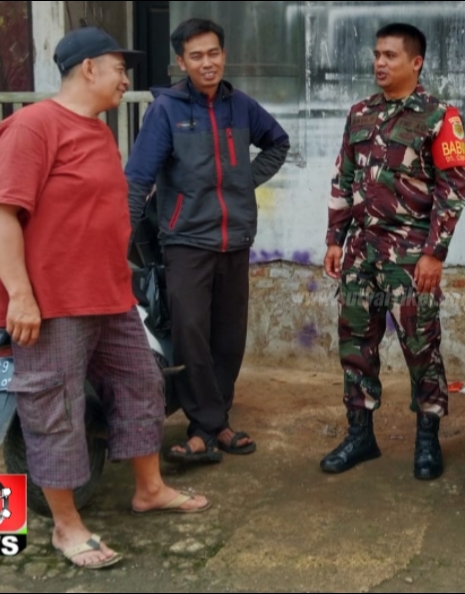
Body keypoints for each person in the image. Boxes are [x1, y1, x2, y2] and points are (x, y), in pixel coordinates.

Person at [0, 27, 211, 570]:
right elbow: (0, 216)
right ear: (88, 69)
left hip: (110, 295)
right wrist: (19, 295)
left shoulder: (98, 133)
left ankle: (149, 488)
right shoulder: (33, 128)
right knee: (55, 409)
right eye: (117, 68)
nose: (125, 79)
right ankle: (66, 526)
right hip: (52, 303)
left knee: (142, 383)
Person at [125, 18, 290, 464]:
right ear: (182, 61)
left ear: (224, 55)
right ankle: (204, 427)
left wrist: (242, 182)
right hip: (186, 241)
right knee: (191, 334)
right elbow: (138, 178)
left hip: (234, 240)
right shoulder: (167, 111)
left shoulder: (241, 107)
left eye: (213, 53)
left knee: (228, 337)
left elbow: (278, 142)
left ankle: (214, 423)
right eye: (196, 56)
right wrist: (120, 233)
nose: (207, 62)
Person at [321, 22, 465, 480]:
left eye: (390, 55)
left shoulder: (441, 116)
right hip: (360, 251)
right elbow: (343, 177)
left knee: (421, 344)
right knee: (355, 343)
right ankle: (360, 434)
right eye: (377, 55)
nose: (379, 63)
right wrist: (334, 239)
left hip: (410, 254)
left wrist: (435, 253)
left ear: (415, 62)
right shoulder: (359, 112)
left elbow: (453, 189)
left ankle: (428, 438)